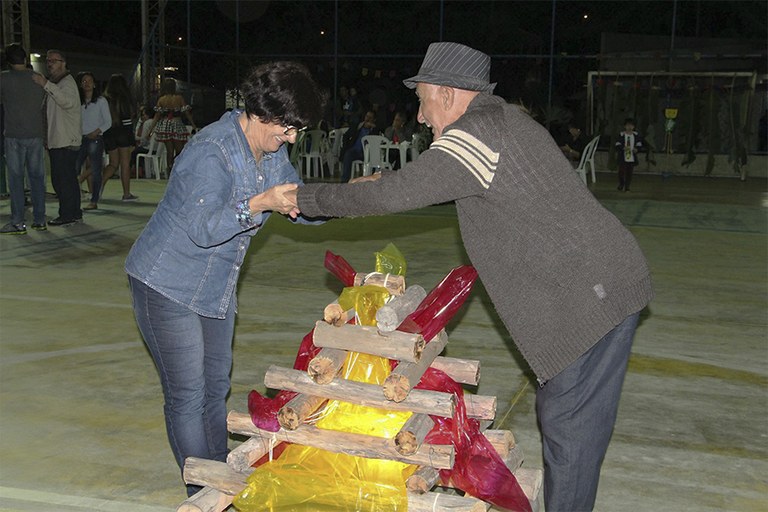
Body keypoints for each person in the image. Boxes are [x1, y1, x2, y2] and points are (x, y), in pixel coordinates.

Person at [285, 42, 654, 512]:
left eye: (421, 100)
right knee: (578, 425)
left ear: (444, 93)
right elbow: (432, 181)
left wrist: (304, 198)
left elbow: (393, 197)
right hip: (609, 280)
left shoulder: (472, 135)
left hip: (588, 297)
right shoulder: (501, 123)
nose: (419, 117)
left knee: (569, 425)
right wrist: (380, 184)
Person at [124, 61, 326, 496]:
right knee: (188, 394)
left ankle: (220, 482)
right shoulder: (210, 150)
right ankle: (203, 492)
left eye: (296, 131)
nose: (290, 138)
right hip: (166, 283)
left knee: (216, 387)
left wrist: (347, 197)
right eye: (287, 128)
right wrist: (259, 202)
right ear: (260, 112)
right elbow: (204, 229)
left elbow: (297, 203)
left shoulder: (272, 152)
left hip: (214, 286)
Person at [0, 43, 47, 234]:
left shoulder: (3, 79)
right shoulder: (38, 79)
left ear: (8, 61)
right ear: (26, 59)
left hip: (13, 135)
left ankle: (18, 221)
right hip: (35, 134)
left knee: (16, 179)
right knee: (37, 178)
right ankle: (40, 219)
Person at [32, 49, 82, 226]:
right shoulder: (57, 82)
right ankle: (74, 212)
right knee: (67, 179)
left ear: (63, 63)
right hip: (60, 139)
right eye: (48, 60)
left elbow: (67, 102)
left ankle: (67, 214)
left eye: (54, 60)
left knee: (62, 180)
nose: (50, 63)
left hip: (65, 140)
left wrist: (45, 83)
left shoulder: (66, 82)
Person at [74, 72, 111, 210]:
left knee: (96, 170)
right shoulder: (78, 102)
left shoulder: (101, 101)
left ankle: (94, 200)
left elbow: (108, 122)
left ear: (94, 84)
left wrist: (96, 132)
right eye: (84, 81)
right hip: (80, 138)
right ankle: (75, 197)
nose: (87, 83)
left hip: (94, 139)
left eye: (89, 81)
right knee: (74, 169)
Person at [147, 78, 197, 174]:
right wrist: (193, 125)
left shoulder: (161, 99)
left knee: (169, 151)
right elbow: (186, 112)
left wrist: (150, 130)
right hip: (177, 123)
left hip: (165, 124)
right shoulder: (179, 98)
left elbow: (157, 116)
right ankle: (175, 167)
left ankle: (170, 169)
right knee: (180, 150)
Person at [101, 74, 138, 201]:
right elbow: (128, 121)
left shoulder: (105, 99)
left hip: (109, 133)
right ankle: (126, 194)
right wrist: (132, 140)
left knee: (113, 164)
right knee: (125, 164)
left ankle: (98, 188)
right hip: (123, 133)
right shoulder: (125, 98)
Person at [339, 110, 378, 183]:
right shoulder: (358, 126)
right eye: (367, 116)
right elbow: (346, 136)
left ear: (374, 120)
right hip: (355, 151)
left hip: (367, 152)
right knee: (348, 154)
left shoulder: (375, 129)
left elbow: (376, 140)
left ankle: (370, 180)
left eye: (370, 117)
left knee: (373, 158)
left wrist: (373, 128)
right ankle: (344, 181)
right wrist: (346, 146)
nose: (368, 119)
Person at [615, 117, 643, 192]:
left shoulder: (636, 135)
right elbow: (617, 144)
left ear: (634, 127)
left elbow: (639, 144)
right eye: (628, 125)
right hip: (623, 157)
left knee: (629, 173)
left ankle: (627, 186)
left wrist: (636, 149)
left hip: (631, 157)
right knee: (621, 171)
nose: (629, 127)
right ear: (625, 126)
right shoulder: (621, 135)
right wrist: (622, 148)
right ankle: (621, 184)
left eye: (631, 126)